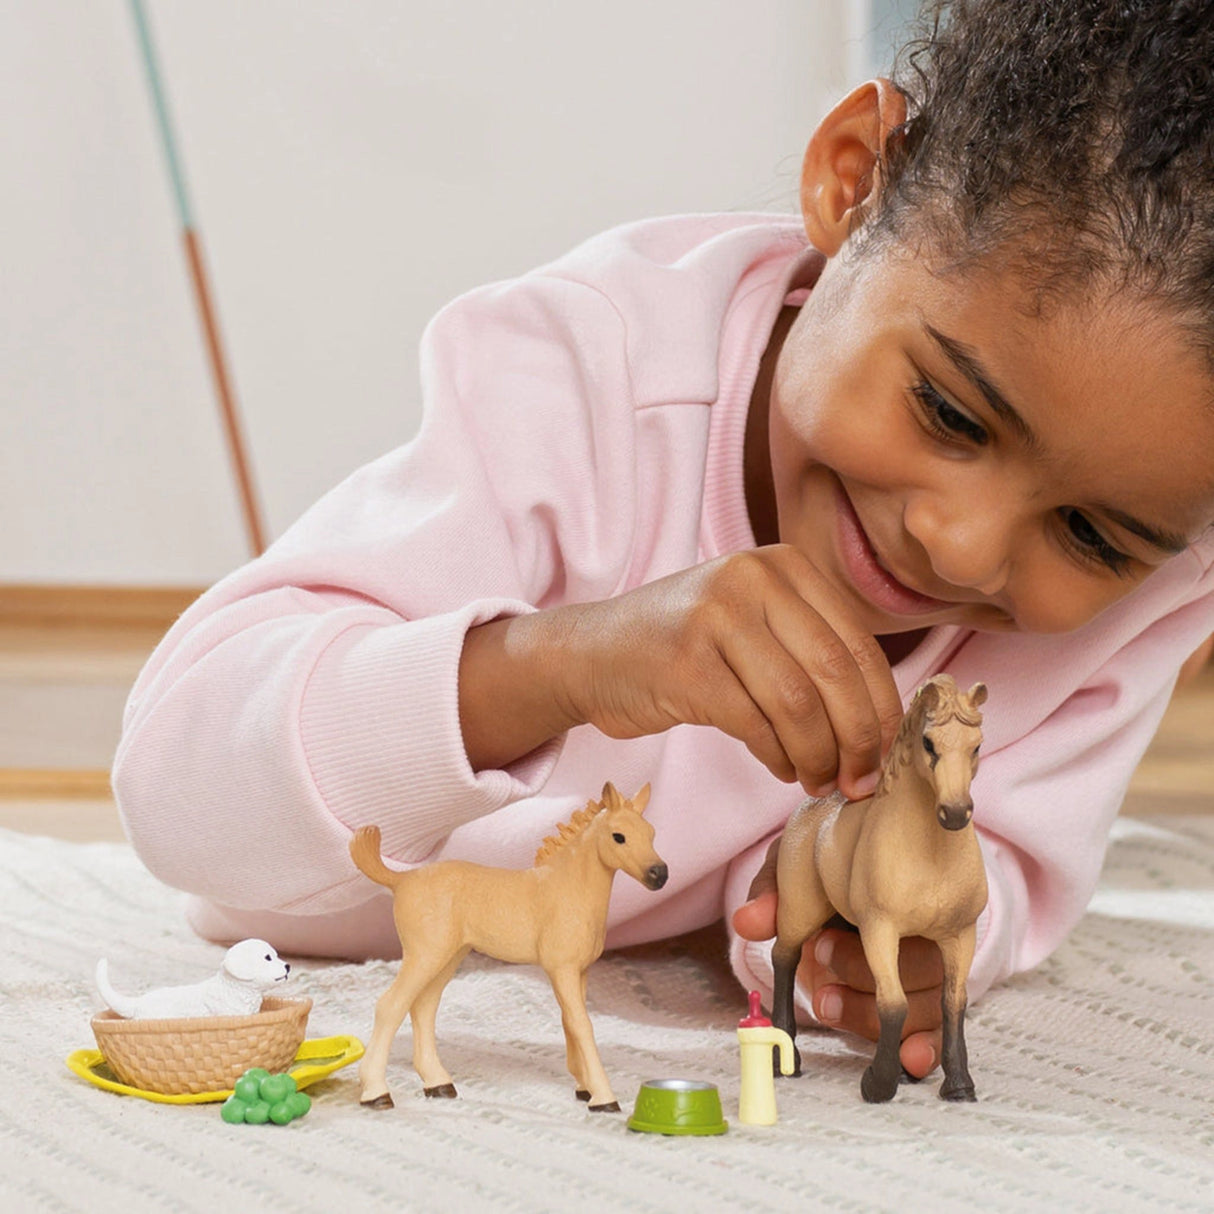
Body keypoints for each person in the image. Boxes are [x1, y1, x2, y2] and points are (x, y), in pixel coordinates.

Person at [113, 0, 1214, 1083]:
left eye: (1087, 534)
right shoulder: (587, 376)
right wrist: (563, 662)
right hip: (294, 911)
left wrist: (892, 937)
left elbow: (1014, 848)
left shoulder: (1152, 580)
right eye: (949, 413)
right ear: (852, 180)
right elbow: (179, 803)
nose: (962, 547)